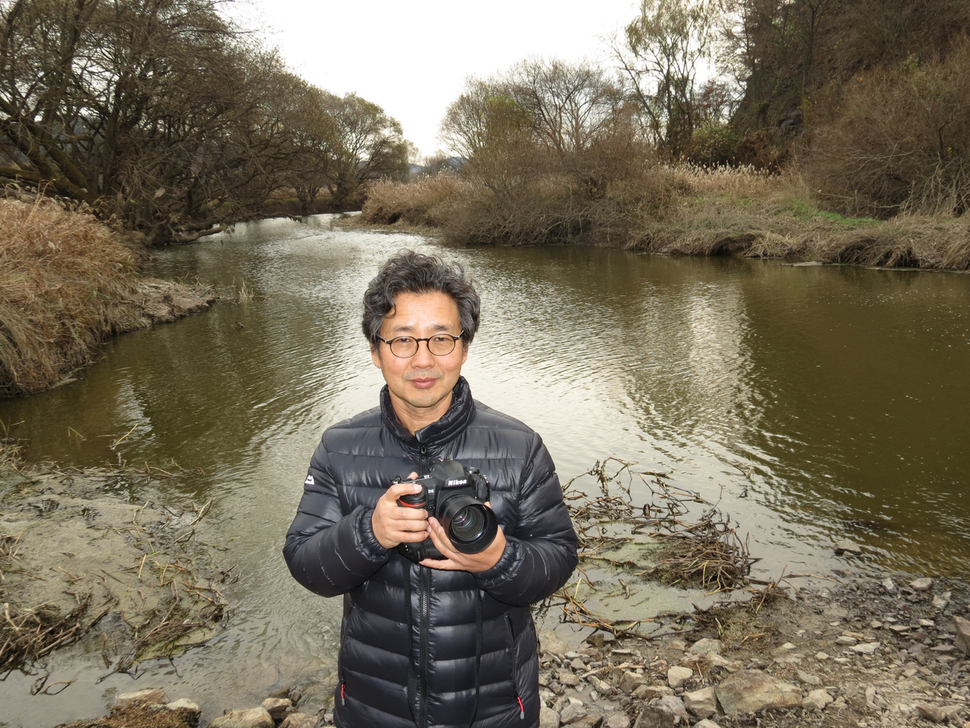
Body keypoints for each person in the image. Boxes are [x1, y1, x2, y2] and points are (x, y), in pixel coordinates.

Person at [283, 250, 578, 728]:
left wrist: (498, 561)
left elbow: (559, 558)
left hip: (494, 710)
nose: (423, 360)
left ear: (464, 346)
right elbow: (305, 564)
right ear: (376, 351)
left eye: (441, 339)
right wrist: (369, 532)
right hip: (374, 709)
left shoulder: (520, 447)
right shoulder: (340, 447)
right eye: (402, 341)